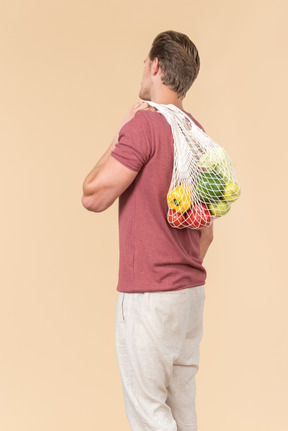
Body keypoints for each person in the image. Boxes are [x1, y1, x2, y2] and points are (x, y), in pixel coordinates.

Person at [82, 30, 214, 431]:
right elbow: (206, 233)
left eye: (145, 63)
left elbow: (92, 195)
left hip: (150, 297)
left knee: (149, 416)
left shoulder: (144, 125)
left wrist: (122, 129)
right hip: (189, 297)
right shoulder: (197, 135)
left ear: (156, 66)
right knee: (181, 414)